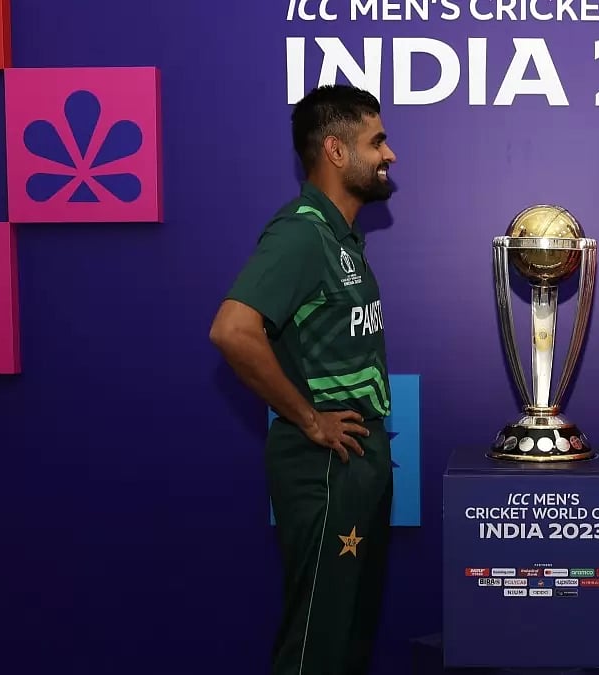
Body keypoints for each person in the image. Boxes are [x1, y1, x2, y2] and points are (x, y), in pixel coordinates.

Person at [209, 84, 398, 675]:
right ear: (337, 152)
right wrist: (310, 419)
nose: (389, 155)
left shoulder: (342, 236)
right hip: (322, 466)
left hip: (357, 456)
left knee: (347, 638)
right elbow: (233, 330)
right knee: (317, 644)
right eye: (378, 141)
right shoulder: (301, 232)